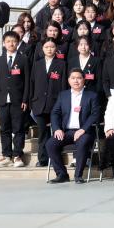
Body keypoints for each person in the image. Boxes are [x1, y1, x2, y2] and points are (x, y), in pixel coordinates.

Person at [45, 69, 100, 184]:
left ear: (84, 80)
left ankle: (78, 175)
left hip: (84, 132)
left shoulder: (92, 95)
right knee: (50, 144)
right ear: (69, 80)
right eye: (73, 78)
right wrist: (57, 129)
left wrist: (83, 129)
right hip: (67, 132)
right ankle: (62, 174)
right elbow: (55, 113)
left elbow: (95, 114)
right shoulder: (63, 95)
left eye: (79, 78)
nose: (76, 81)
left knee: (83, 142)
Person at [0, 31, 31, 168]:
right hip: (2, 100)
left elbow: (27, 81)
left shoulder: (23, 59)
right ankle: (6, 155)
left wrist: (25, 100)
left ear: (18, 43)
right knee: (4, 128)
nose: (11, 43)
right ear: (4, 43)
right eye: (8, 41)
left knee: (18, 128)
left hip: (18, 100)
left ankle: (17, 155)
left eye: (14, 41)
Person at [29, 37, 66, 167]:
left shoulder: (61, 64)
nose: (49, 49)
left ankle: (56, 158)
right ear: (42, 49)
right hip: (38, 104)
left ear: (56, 49)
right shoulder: (37, 64)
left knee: (56, 132)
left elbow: (63, 85)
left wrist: (62, 104)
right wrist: (31, 102)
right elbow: (32, 84)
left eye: (52, 47)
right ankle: (42, 159)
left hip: (55, 104)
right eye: (47, 47)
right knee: (42, 133)